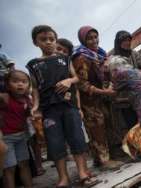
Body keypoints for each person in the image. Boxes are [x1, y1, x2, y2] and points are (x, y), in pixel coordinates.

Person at [26, 25, 100, 187]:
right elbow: (35, 88)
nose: (48, 43)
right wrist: (35, 106)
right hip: (49, 110)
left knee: (77, 139)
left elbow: (76, 79)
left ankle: (82, 173)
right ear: (35, 42)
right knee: (55, 143)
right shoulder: (33, 64)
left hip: (69, 106)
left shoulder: (65, 59)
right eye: (43, 40)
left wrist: (68, 80)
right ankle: (63, 178)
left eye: (51, 39)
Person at [72, 26, 115, 168]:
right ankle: (105, 160)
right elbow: (82, 84)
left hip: (98, 98)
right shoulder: (81, 57)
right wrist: (105, 92)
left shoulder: (99, 54)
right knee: (97, 127)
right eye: (89, 38)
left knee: (102, 124)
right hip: (88, 100)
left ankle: (99, 159)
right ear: (83, 40)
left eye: (95, 37)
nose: (94, 40)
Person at [0, 70, 32, 188]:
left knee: (24, 164)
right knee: (9, 168)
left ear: (28, 84)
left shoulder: (27, 99)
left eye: (24, 81)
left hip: (21, 137)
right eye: (15, 81)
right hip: (6, 138)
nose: (20, 84)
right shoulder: (5, 97)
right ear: (7, 85)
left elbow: (28, 116)